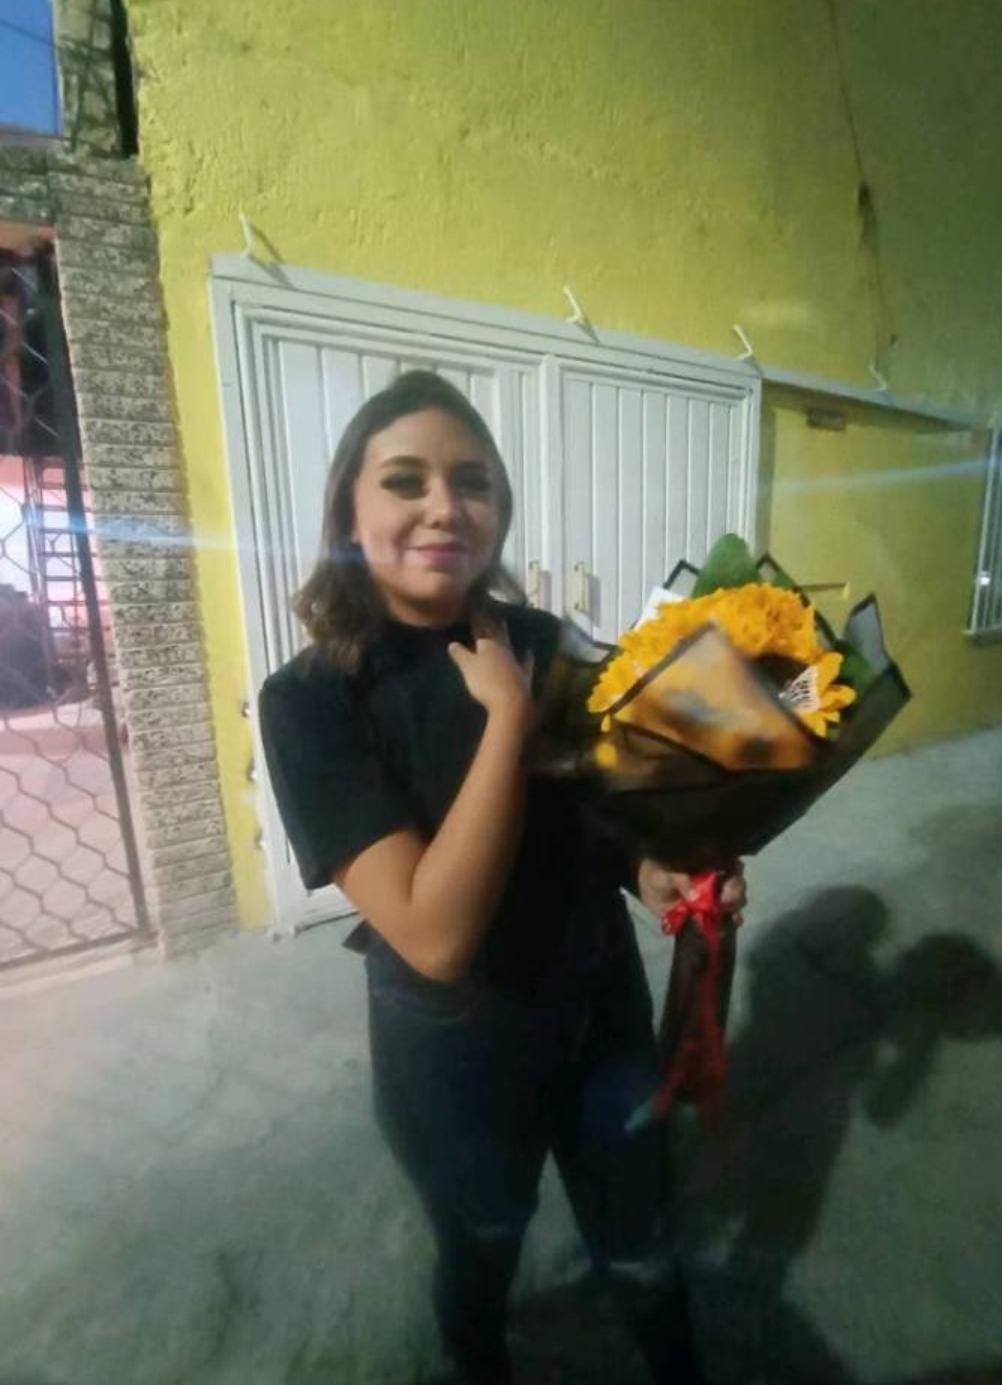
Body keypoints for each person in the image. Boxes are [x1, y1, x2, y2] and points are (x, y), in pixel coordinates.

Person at [258, 370, 744, 1385]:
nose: (445, 505)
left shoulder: (542, 640)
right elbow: (434, 934)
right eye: (406, 480)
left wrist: (652, 866)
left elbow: (592, 812)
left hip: (599, 1003)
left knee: (642, 1231)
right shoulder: (311, 699)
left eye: (472, 481)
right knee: (483, 1241)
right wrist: (508, 720)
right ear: (349, 509)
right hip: (454, 1047)